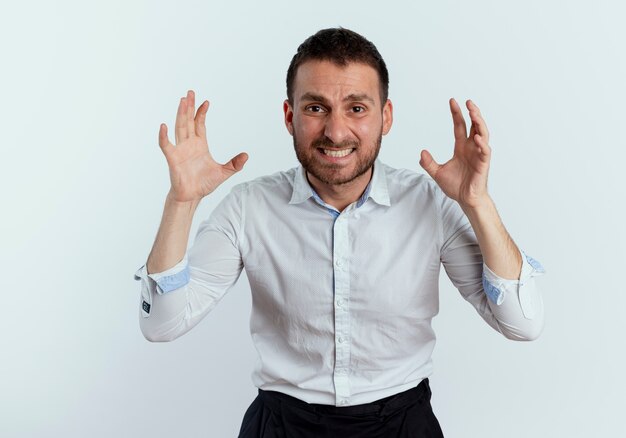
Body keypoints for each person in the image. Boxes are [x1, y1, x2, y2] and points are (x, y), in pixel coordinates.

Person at [134, 27, 545, 437]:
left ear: (385, 116)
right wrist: (182, 202)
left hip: (402, 424)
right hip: (281, 425)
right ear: (289, 116)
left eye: (357, 108)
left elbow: (522, 324)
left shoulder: (430, 204)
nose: (335, 131)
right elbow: (161, 326)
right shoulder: (248, 208)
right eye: (316, 108)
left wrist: (477, 203)